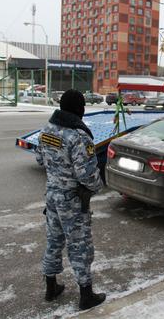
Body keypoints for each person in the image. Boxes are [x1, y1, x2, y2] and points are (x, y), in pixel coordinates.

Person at [35, 89, 106, 310]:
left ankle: (51, 288)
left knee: (54, 240)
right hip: (72, 200)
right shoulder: (78, 136)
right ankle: (86, 295)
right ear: (79, 109)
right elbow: (87, 175)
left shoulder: (47, 129)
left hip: (52, 196)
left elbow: (40, 158)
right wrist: (97, 186)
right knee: (80, 246)